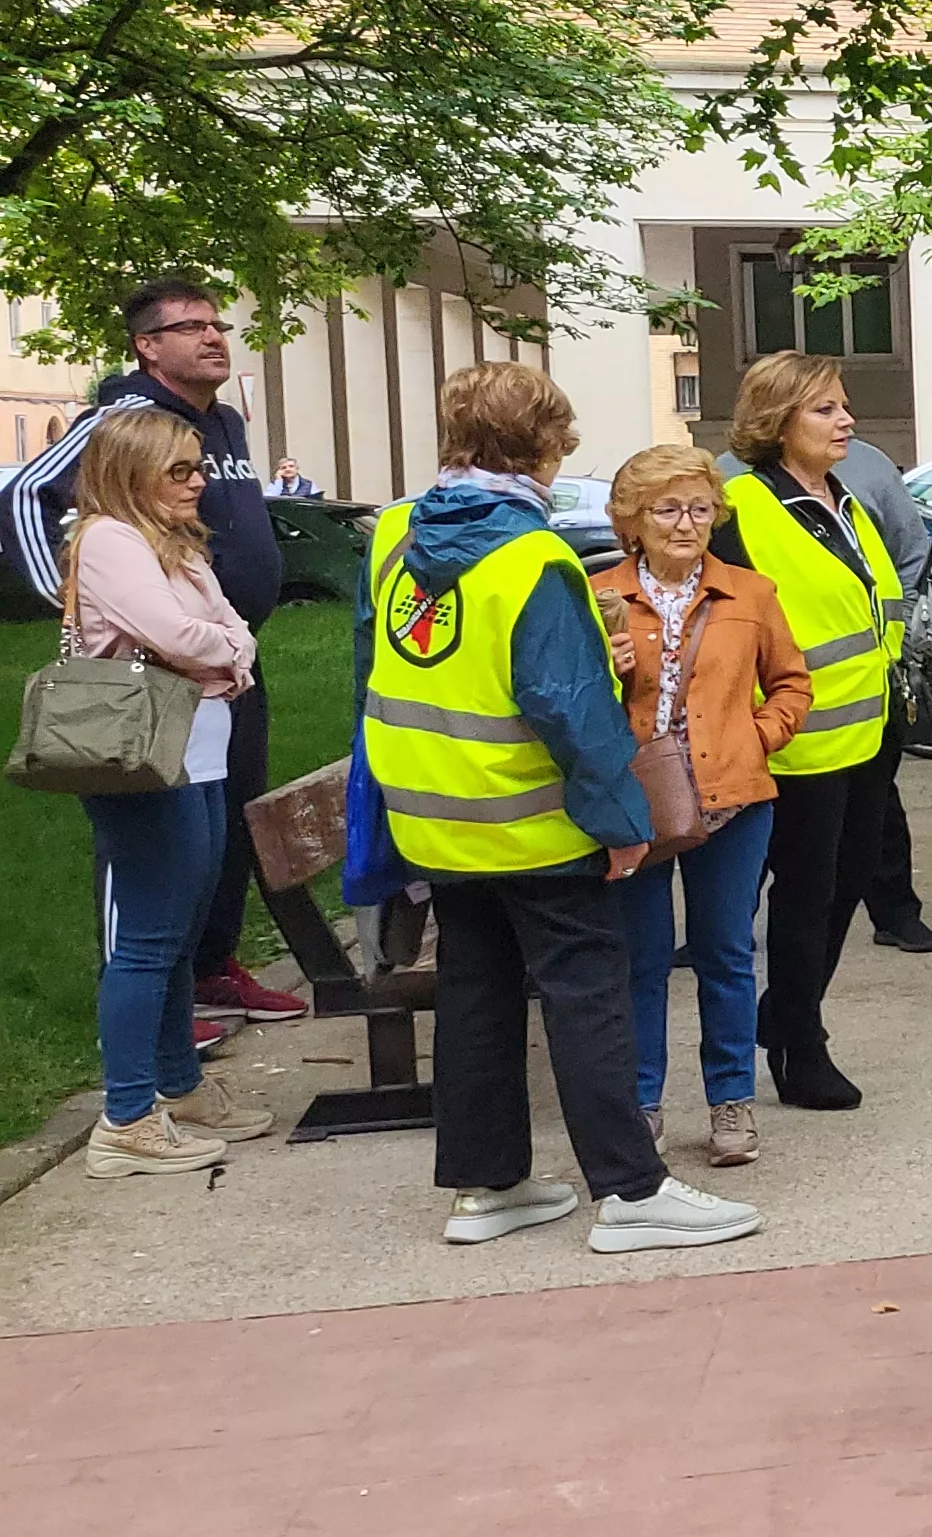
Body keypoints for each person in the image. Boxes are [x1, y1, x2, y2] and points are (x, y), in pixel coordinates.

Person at [360, 363, 760, 1254]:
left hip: (432, 812)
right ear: (545, 446)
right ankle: (631, 1191)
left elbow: (375, 668)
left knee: (477, 994)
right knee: (589, 996)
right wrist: (622, 824)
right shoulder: (535, 557)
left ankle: (485, 1187)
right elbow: (571, 712)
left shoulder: (393, 533)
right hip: (532, 817)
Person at [5, 272, 308, 1032]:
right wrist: (70, 595)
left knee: (232, 810)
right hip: (150, 673)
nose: (214, 336)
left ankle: (209, 967)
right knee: (151, 827)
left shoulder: (225, 421)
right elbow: (24, 495)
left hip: (229, 657)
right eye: (192, 326)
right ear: (147, 345)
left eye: (218, 325)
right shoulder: (127, 417)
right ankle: (146, 991)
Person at [63, 405, 272, 1178]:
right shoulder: (111, 539)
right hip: (141, 758)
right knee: (147, 939)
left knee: (182, 930)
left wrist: (220, 649)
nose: (198, 484)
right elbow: (178, 634)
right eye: (179, 471)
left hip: (198, 752)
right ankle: (125, 1117)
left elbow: (232, 626)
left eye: (200, 469)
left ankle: (177, 1087)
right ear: (131, 473)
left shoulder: (176, 544)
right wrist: (219, 651)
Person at [597, 444, 811, 1170]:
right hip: (636, 804)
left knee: (725, 953)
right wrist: (607, 669)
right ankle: (642, 1103)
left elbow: (793, 684)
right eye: (666, 509)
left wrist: (760, 736)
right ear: (632, 521)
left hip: (734, 801)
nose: (686, 524)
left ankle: (731, 1102)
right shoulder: (598, 597)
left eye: (698, 508)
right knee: (643, 958)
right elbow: (567, 706)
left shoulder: (749, 593)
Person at [715, 355, 906, 1108]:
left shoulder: (839, 499)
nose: (847, 421)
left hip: (868, 729)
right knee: (805, 894)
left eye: (843, 407)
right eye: (825, 409)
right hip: (799, 738)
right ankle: (799, 1042)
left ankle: (787, 1015)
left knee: (846, 886)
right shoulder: (740, 508)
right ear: (777, 419)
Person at [830, 430, 932, 955]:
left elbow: (911, 553)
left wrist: (892, 637)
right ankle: (723, 926)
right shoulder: (735, 476)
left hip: (873, 673)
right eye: (825, 407)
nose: (845, 420)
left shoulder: (868, 467)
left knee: (876, 801)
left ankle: (895, 910)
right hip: (772, 682)